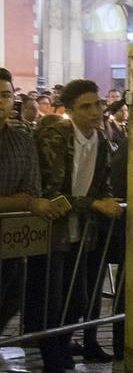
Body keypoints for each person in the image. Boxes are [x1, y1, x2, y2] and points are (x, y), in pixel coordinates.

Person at [32, 80, 124, 373]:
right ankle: (54, 372)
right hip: (50, 233)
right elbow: (51, 192)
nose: (95, 111)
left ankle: (60, 358)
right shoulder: (55, 137)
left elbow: (103, 187)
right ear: (69, 111)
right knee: (51, 303)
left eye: (97, 104)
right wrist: (95, 205)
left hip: (82, 235)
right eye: (86, 107)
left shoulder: (102, 142)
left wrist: (104, 201)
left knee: (78, 301)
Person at [0, 69, 69, 334]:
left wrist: (25, 200)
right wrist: (25, 203)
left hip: (11, 243)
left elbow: (32, 187)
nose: (1, 101)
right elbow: (29, 198)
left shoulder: (21, 140)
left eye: (6, 95)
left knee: (12, 298)